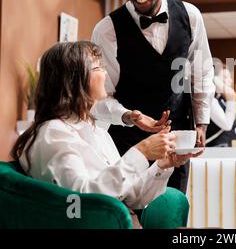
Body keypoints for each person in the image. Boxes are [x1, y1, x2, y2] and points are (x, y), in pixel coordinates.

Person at [11, 41, 197, 228]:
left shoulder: (98, 133)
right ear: (73, 80)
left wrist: (163, 165)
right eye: (98, 67)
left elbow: (133, 197)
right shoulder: (53, 135)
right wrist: (141, 152)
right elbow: (82, 200)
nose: (106, 73)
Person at [91, 0, 214, 193]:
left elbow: (201, 73)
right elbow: (101, 97)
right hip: (127, 144)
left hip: (176, 141)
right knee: (129, 213)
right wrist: (129, 116)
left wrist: (201, 123)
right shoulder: (107, 29)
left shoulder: (191, 16)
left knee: (171, 210)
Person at [205, 66, 236, 147]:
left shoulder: (223, 100)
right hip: (217, 150)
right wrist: (231, 100)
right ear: (215, 80)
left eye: (230, 77)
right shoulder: (211, 100)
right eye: (225, 77)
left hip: (230, 148)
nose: (230, 80)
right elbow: (227, 125)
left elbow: (234, 129)